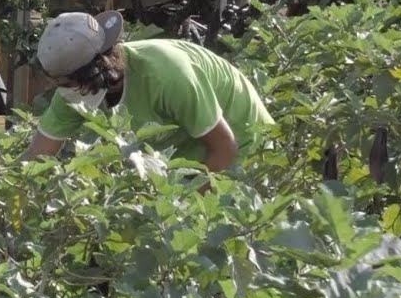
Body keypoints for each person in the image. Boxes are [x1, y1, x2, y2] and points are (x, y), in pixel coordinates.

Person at [21, 11, 273, 175]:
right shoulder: (73, 91)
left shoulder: (165, 74)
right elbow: (36, 158)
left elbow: (226, 149)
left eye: (69, 83)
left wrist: (178, 204)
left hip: (244, 142)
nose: (64, 92)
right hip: (188, 153)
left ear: (94, 73)